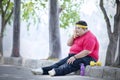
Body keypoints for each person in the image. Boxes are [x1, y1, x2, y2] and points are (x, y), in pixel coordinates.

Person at [31, 20, 99, 76]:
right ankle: (42, 70)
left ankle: (56, 72)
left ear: (85, 29)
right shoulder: (78, 35)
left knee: (72, 63)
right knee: (58, 64)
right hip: (76, 56)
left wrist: (75, 57)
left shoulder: (90, 37)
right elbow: (69, 44)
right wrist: (73, 35)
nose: (76, 30)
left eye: (78, 28)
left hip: (88, 58)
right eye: (75, 28)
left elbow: (87, 51)